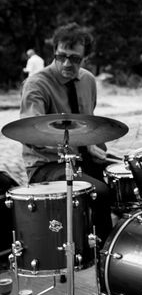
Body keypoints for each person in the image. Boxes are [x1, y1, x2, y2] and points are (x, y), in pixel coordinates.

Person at [19, 23, 113, 243]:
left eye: (75, 58)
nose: (67, 63)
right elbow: (31, 133)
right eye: (61, 56)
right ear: (54, 52)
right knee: (98, 192)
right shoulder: (36, 84)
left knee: (130, 179)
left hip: (82, 157)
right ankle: (103, 254)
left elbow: (89, 122)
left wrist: (91, 144)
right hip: (47, 165)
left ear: (85, 58)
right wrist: (68, 143)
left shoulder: (88, 80)